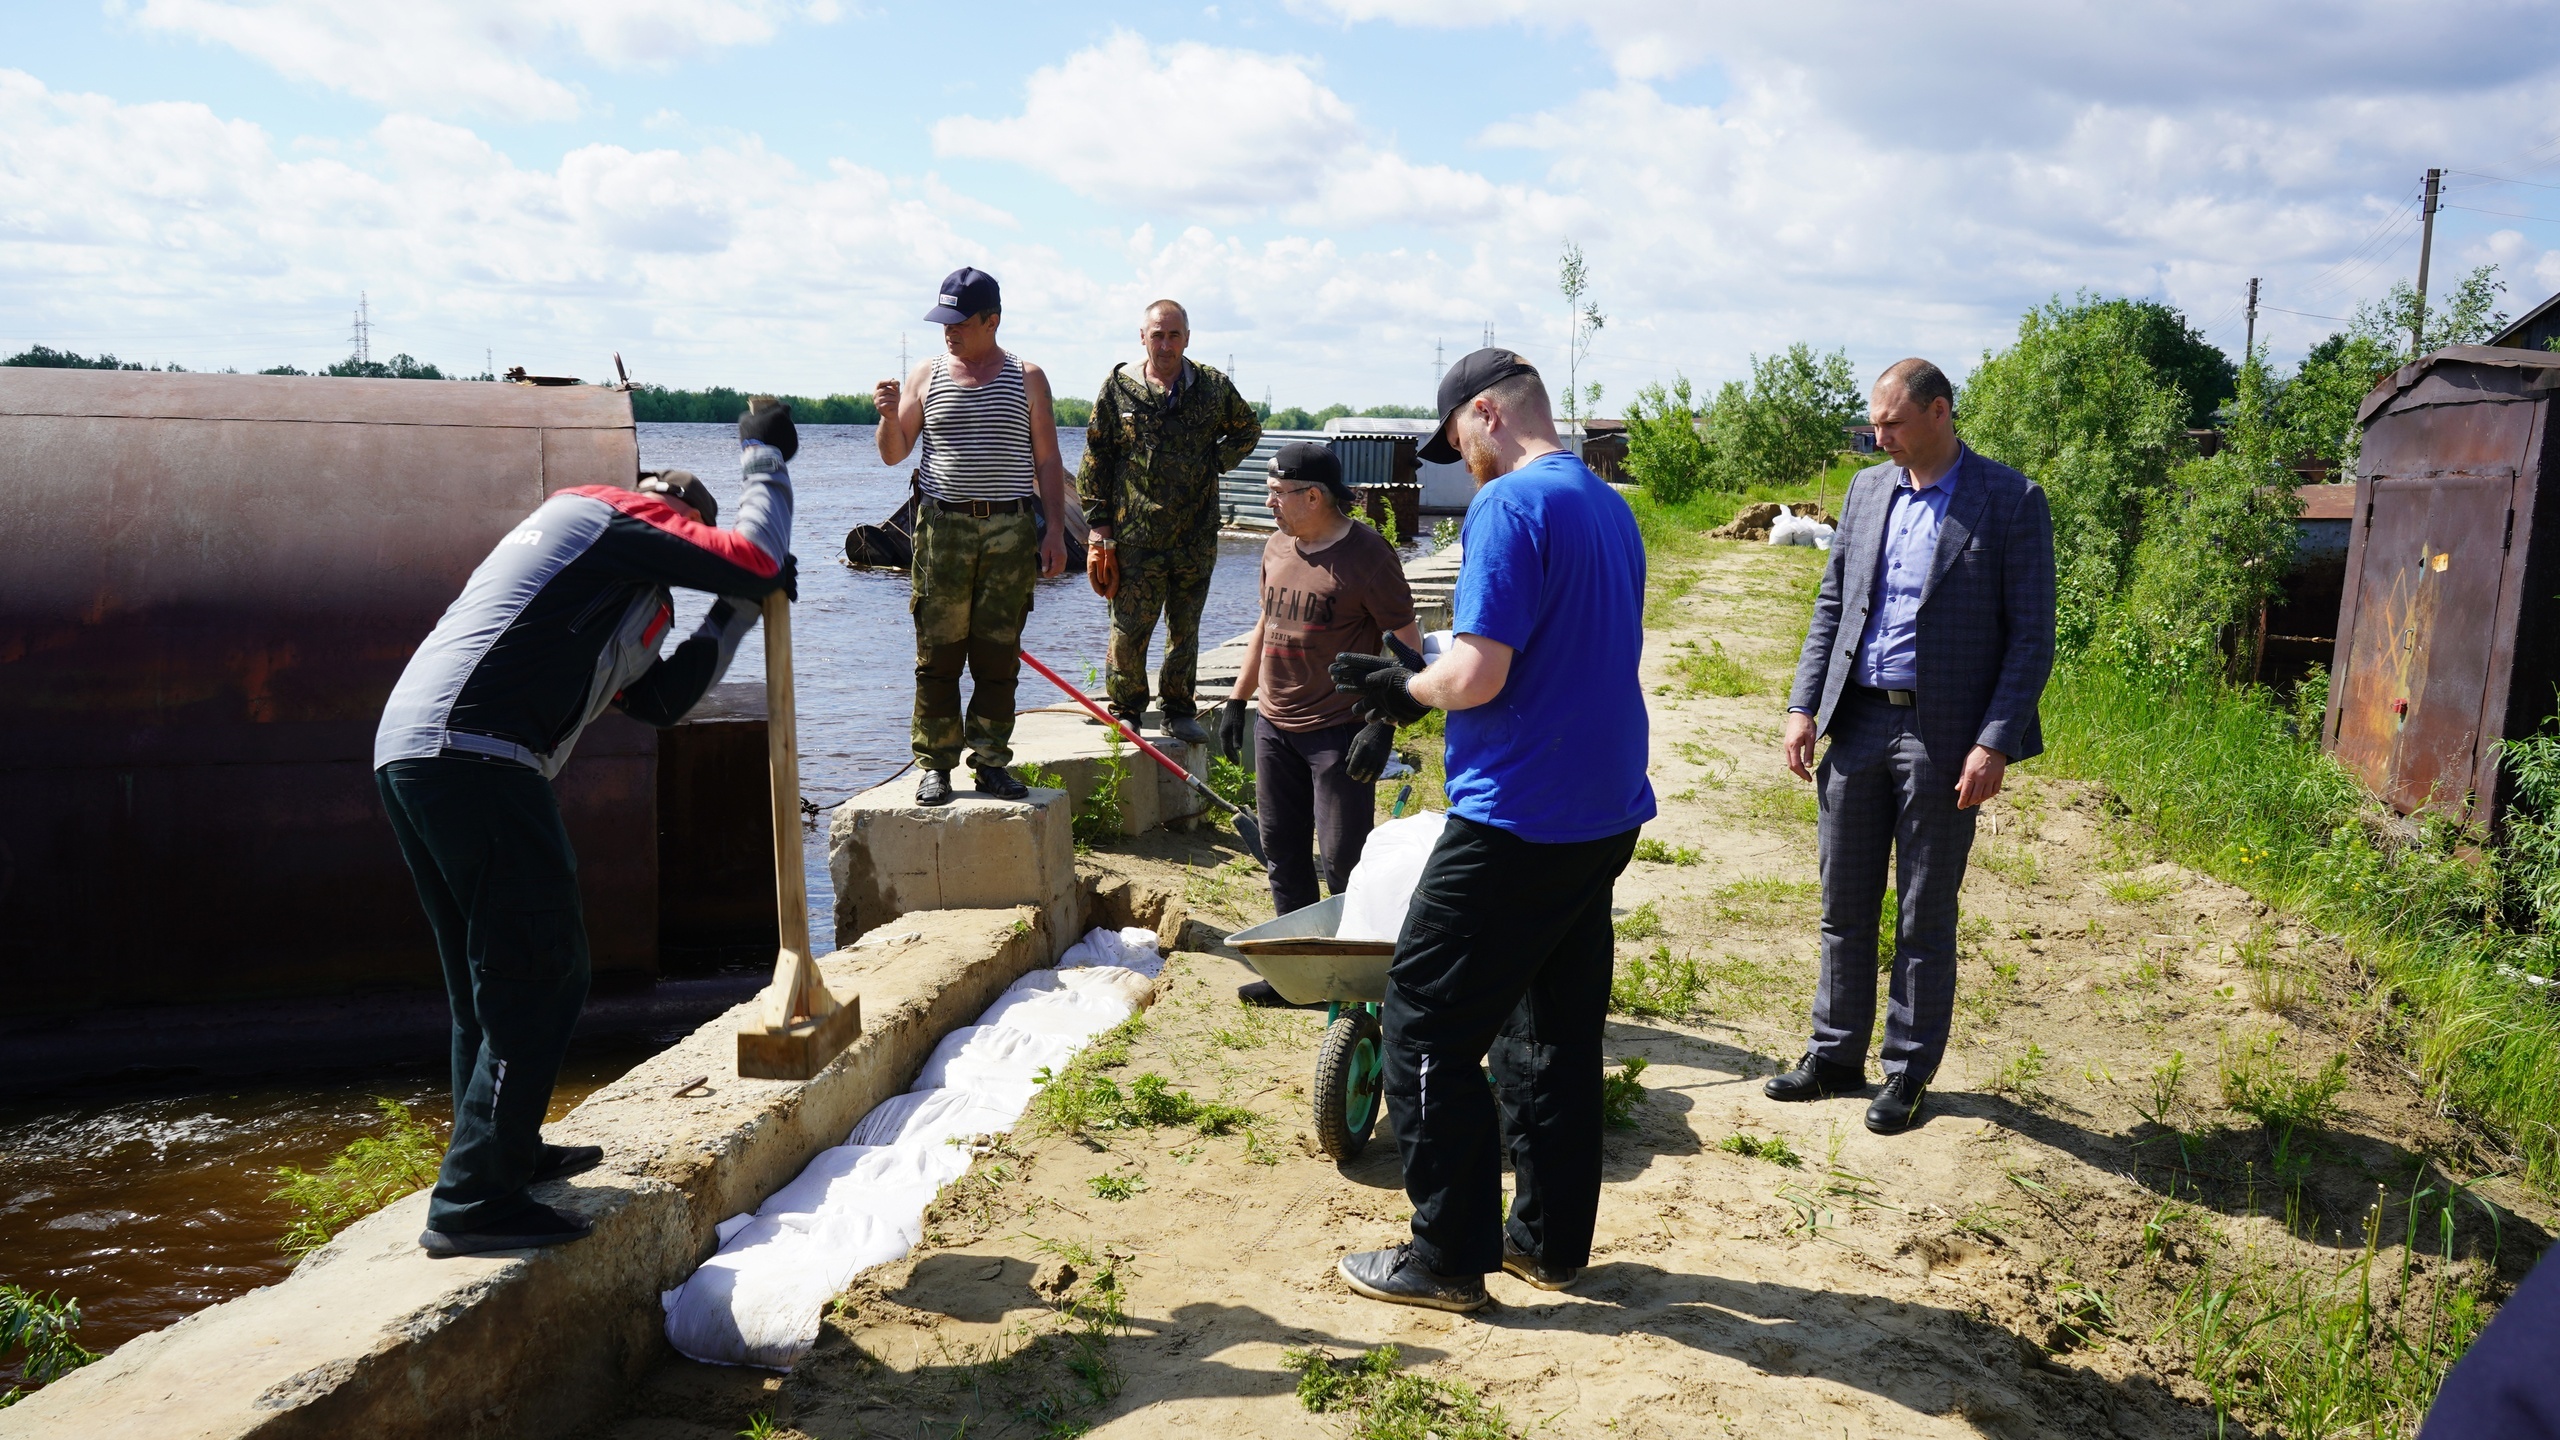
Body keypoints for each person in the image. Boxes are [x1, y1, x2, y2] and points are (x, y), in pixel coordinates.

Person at [375, 401, 800, 1257]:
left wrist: (739, 613)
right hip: (474, 753)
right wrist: (764, 460)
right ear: (666, 517)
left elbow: (660, 702)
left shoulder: (620, 592)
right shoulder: (601, 512)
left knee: (486, 981)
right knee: (544, 969)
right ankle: (472, 1203)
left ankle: (504, 1154)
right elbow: (752, 556)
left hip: (420, 752)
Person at [1328, 350, 1654, 1313]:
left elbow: (1480, 675)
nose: (1452, 460)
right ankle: (1546, 1244)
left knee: (1422, 1020)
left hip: (1519, 813)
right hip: (1600, 809)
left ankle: (1444, 1256)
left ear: (1486, 414)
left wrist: (1409, 687)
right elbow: (1564, 644)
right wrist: (1435, 667)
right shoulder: (1606, 504)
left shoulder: (1508, 506)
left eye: (1454, 440)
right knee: (1552, 1031)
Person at [1769, 357, 2055, 1134]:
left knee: (1926, 912)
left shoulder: (2011, 501)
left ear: (1939, 412)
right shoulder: (1868, 492)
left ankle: (1907, 1070)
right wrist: (1804, 708)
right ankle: (1833, 1056)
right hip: (1857, 723)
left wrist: (1993, 742)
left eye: (1891, 424)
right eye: (1875, 423)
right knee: (1843, 901)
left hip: (1944, 734)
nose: (1878, 436)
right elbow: (1832, 605)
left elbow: (2031, 638)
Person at [873, 266, 1072, 807]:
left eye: (960, 321)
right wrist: (890, 417)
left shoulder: (1026, 377)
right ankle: (935, 765)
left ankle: (990, 762)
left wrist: (1054, 530)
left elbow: (1049, 458)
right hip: (942, 529)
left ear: (993, 320)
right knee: (937, 653)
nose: (949, 330)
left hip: (1011, 529)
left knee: (997, 654)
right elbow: (895, 452)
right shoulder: (927, 374)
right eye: (944, 320)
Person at [1222, 440, 1420, 941]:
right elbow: (1265, 622)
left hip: (1338, 732)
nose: (1269, 503)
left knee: (1343, 860)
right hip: (1273, 726)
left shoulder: (1369, 556)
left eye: (1277, 493)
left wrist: (1384, 725)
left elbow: (1408, 650)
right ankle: (1297, 966)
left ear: (1315, 496)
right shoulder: (1275, 546)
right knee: (1281, 852)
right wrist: (1237, 700)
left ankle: (1351, 982)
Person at [1079, 299, 1263, 743]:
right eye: (1157, 335)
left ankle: (1179, 710)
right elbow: (1095, 456)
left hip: (1194, 535)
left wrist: (1214, 461)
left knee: (1185, 628)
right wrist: (1098, 525)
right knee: (1129, 626)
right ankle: (1125, 709)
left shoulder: (1212, 387)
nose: (1165, 344)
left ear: (1187, 338)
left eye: (1174, 334)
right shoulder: (1119, 388)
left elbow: (1247, 429)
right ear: (1142, 337)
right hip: (1134, 535)